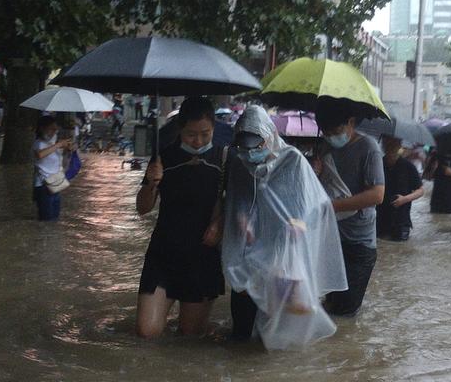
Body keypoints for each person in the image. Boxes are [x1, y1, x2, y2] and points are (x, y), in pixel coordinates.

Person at [220, 106, 347, 349]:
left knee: (280, 321)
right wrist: (242, 218)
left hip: (281, 253)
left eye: (255, 148)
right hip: (250, 251)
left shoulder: (293, 161)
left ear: (269, 137)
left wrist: (298, 223)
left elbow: (311, 203)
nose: (249, 155)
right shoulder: (239, 162)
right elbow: (239, 199)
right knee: (242, 329)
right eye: (243, 150)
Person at [134, 97, 227, 338]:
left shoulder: (224, 159)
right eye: (190, 134)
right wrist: (151, 185)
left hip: (202, 255)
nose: (198, 141)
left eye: (205, 134)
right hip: (163, 253)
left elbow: (236, 204)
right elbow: (142, 208)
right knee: (148, 332)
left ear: (214, 129)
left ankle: (207, 326)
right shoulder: (163, 157)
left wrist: (219, 224)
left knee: (190, 335)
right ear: (180, 130)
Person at [315, 105, 385, 317]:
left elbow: (377, 195)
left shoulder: (368, 148)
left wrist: (334, 206)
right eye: (326, 132)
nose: (331, 137)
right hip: (332, 239)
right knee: (329, 305)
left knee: (345, 312)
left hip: (359, 243)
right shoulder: (324, 147)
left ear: (351, 123)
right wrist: (315, 173)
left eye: (336, 132)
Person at [376, 135, 424, 241]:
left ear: (399, 144)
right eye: (387, 142)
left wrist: (404, 199)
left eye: (393, 143)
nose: (390, 146)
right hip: (380, 219)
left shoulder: (408, 166)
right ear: (383, 144)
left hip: (401, 221)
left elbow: (420, 190)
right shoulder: (377, 164)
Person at [32, 116, 72, 221]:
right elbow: (40, 155)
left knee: (55, 218)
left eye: (56, 129)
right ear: (42, 128)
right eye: (51, 129)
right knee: (46, 219)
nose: (54, 132)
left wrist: (68, 150)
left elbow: (62, 162)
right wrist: (58, 145)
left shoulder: (53, 144)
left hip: (55, 184)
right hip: (43, 185)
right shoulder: (39, 143)